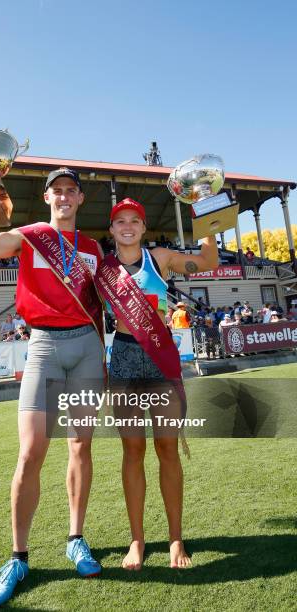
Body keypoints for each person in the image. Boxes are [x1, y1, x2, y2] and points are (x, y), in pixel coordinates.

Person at [0, 166, 105, 606]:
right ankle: (18, 556)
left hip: (87, 347)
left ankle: (75, 537)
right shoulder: (31, 234)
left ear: (80, 199)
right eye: (56, 191)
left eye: (70, 191)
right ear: (47, 199)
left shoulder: (95, 248)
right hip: (43, 346)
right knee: (31, 451)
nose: (63, 197)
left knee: (80, 445)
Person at [95, 198, 218, 571]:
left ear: (144, 228)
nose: (128, 226)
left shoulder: (159, 258)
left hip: (160, 358)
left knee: (167, 448)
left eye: (135, 220)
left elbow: (209, 262)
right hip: (125, 359)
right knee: (132, 451)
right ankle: (137, 539)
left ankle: (175, 537)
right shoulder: (101, 269)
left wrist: (208, 218)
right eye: (120, 221)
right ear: (112, 229)